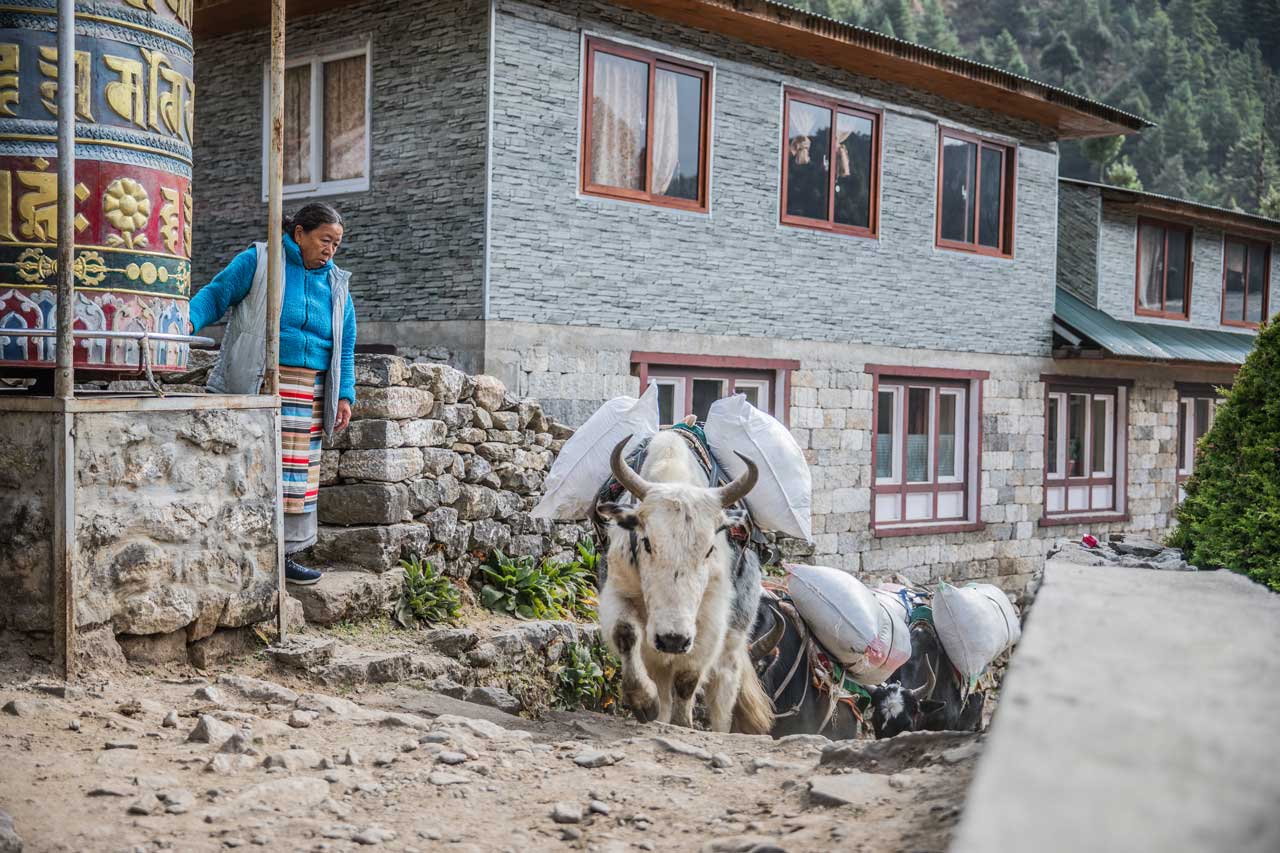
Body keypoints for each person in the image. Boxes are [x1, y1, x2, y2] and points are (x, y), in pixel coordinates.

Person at [189, 203, 356, 586]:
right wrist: (186, 320)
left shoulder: (336, 284)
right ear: (299, 233)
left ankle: (286, 555)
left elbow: (345, 344)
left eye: (337, 243)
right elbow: (217, 294)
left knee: (296, 477)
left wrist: (344, 394)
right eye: (324, 240)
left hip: (309, 392)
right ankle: (241, 551)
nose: (330, 249)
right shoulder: (261, 260)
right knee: (252, 467)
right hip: (262, 380)